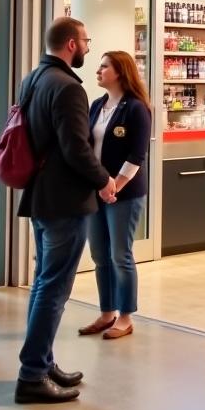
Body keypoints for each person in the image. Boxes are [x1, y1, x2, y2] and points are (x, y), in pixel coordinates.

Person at [14, 17, 116, 403]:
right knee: (53, 288)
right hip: (65, 200)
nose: (89, 49)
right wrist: (103, 179)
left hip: (41, 195)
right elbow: (76, 148)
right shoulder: (69, 87)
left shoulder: (34, 78)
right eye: (87, 42)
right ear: (72, 43)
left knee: (43, 284)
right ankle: (32, 375)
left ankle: (41, 360)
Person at [78, 50, 152, 341]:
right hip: (96, 190)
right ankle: (106, 312)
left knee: (120, 254)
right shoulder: (97, 105)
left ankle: (125, 315)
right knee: (99, 254)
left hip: (125, 193)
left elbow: (137, 154)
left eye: (104, 67)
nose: (98, 71)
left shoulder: (136, 108)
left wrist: (115, 186)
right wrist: (99, 183)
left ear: (120, 72)